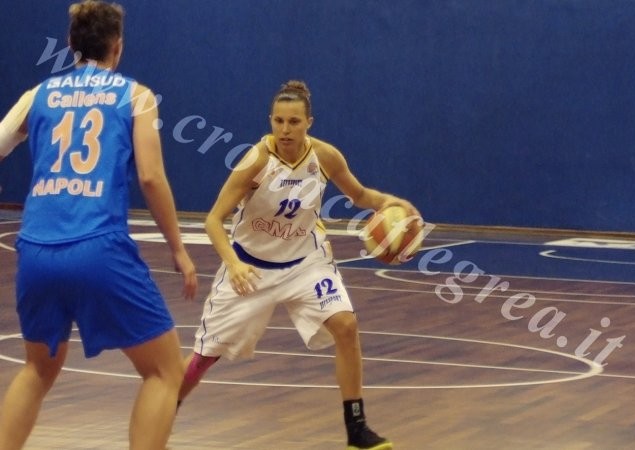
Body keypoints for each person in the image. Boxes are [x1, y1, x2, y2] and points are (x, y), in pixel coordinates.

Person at [177, 80, 420, 450]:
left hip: (306, 262)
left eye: (293, 122)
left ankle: (357, 430)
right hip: (251, 266)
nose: (285, 129)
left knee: (346, 325)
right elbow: (213, 220)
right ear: (270, 122)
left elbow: (359, 195)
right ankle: (160, 415)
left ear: (309, 122)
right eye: (278, 121)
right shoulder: (256, 160)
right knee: (204, 357)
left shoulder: (325, 157)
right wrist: (234, 265)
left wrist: (392, 202)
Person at [0, 1, 198, 449]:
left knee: (37, 369)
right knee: (165, 372)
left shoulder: (38, 95)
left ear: (71, 44)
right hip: (97, 247)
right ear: (118, 47)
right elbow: (150, 176)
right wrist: (179, 248)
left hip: (34, 250)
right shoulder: (135, 96)